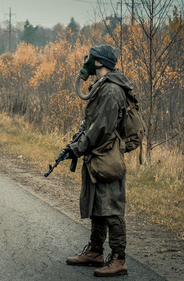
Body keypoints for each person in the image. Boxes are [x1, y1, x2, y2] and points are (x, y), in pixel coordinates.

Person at [62, 45, 134, 277]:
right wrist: (76, 145)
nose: (87, 61)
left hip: (107, 155)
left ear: (100, 63)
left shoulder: (111, 91)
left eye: (91, 58)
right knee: (97, 204)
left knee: (111, 207)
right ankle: (95, 251)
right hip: (98, 154)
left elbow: (101, 129)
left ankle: (119, 259)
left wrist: (77, 148)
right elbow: (93, 125)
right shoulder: (102, 87)